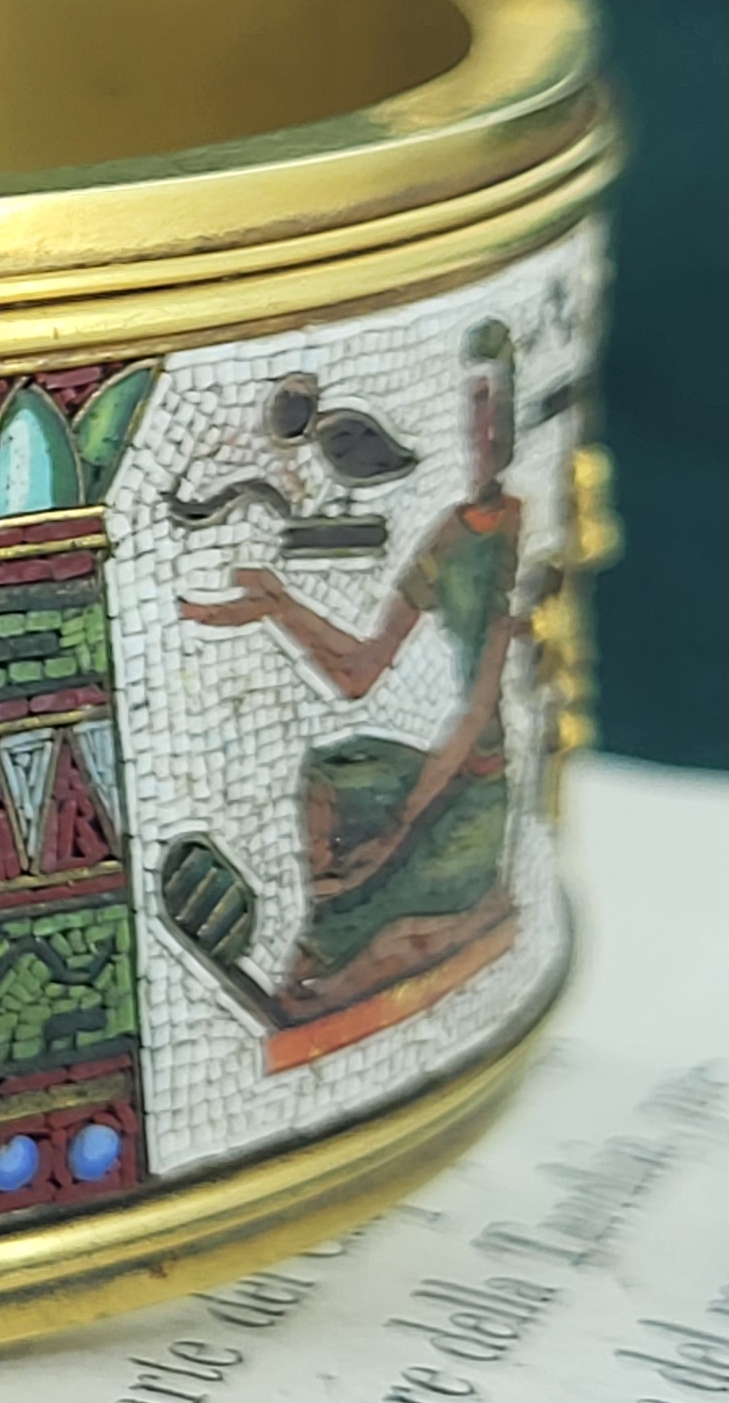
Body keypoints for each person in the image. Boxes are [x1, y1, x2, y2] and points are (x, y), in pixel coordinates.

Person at [178, 322, 527, 1024]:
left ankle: (333, 969)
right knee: (332, 775)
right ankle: (313, 953)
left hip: (476, 787)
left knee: (385, 907)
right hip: (436, 775)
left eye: (495, 408)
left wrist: (398, 827)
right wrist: (281, 607)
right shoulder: (453, 531)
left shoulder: (512, 530)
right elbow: (360, 670)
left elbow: (475, 711)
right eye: (474, 407)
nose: (482, 429)